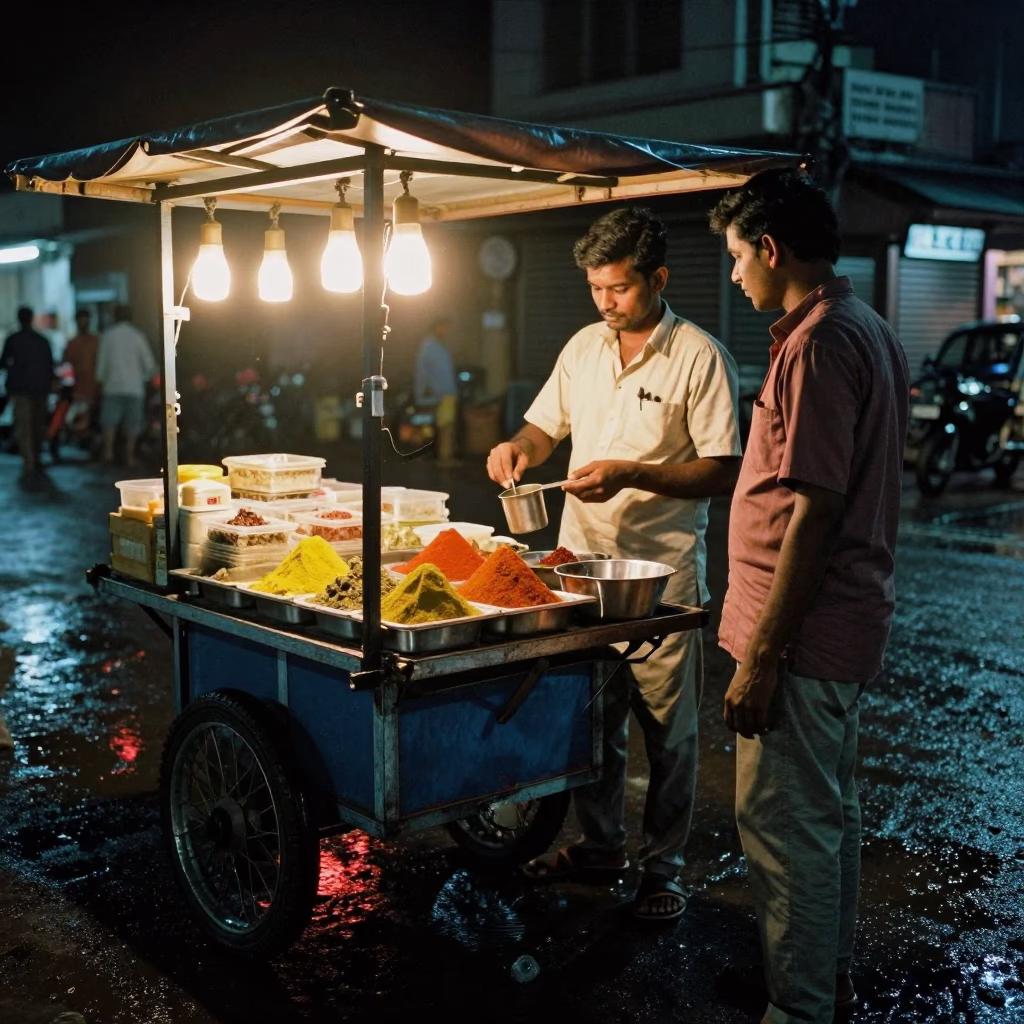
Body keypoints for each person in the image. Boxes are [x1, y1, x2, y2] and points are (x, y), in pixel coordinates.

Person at [486, 206, 742, 921]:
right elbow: (544, 427)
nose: (605, 302)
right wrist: (519, 451)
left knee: (670, 735)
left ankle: (665, 868)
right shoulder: (583, 349)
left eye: (619, 288)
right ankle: (600, 849)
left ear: (657, 279)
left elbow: (722, 467)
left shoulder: (700, 356)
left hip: (660, 577)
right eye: (596, 288)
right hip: (580, 571)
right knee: (592, 724)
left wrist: (634, 473)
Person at [709, 168, 909, 1022]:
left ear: (770, 248)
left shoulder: (823, 341)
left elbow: (816, 514)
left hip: (804, 638)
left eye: (734, 257)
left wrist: (761, 659)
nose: (732, 276)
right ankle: (823, 984)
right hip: (839, 630)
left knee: (787, 833)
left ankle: (799, 1009)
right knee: (824, 823)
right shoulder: (861, 326)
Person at [96, 305, 157, 467]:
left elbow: (101, 364)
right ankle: (129, 457)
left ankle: (108, 453)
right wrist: (142, 378)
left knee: (109, 423)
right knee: (133, 424)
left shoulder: (108, 336)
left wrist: (101, 379)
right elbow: (149, 365)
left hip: (112, 386)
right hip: (134, 388)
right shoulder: (137, 336)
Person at [0, 306, 55, 479]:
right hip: (40, 388)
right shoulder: (42, 340)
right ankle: (37, 457)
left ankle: (29, 461)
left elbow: (3, 363)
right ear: (32, 319)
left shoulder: (13, 339)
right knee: (38, 424)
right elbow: (50, 366)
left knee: (24, 427)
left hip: (20, 389)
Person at [414, 316, 459, 465]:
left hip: (445, 392)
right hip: (436, 393)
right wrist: (423, 391)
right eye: (444, 327)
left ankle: (442, 456)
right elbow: (423, 372)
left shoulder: (439, 347)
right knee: (432, 426)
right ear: (436, 328)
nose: (446, 331)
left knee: (445, 425)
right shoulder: (429, 347)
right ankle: (437, 457)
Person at [62, 308, 101, 441]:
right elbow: (65, 364)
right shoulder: (73, 343)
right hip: (78, 388)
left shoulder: (96, 341)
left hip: (93, 388)